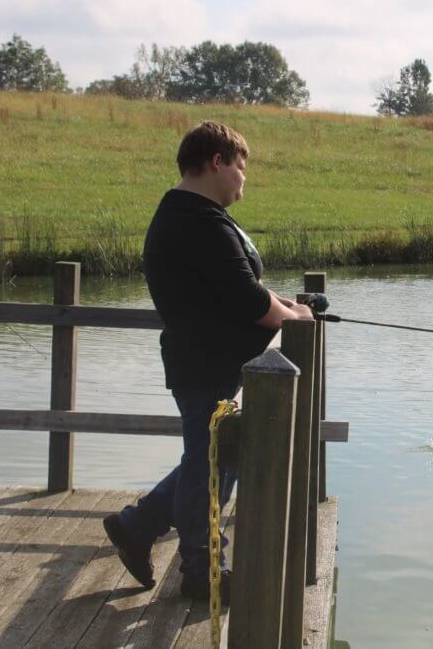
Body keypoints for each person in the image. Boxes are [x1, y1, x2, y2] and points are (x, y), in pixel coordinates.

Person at [102, 121, 313, 602]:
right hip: (205, 366)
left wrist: (287, 306)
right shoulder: (198, 222)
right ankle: (203, 571)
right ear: (216, 162)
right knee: (212, 466)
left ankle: (138, 525)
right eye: (240, 166)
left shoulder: (193, 216)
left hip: (208, 363)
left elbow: (240, 287)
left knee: (211, 457)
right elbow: (250, 302)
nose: (244, 178)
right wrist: (293, 316)